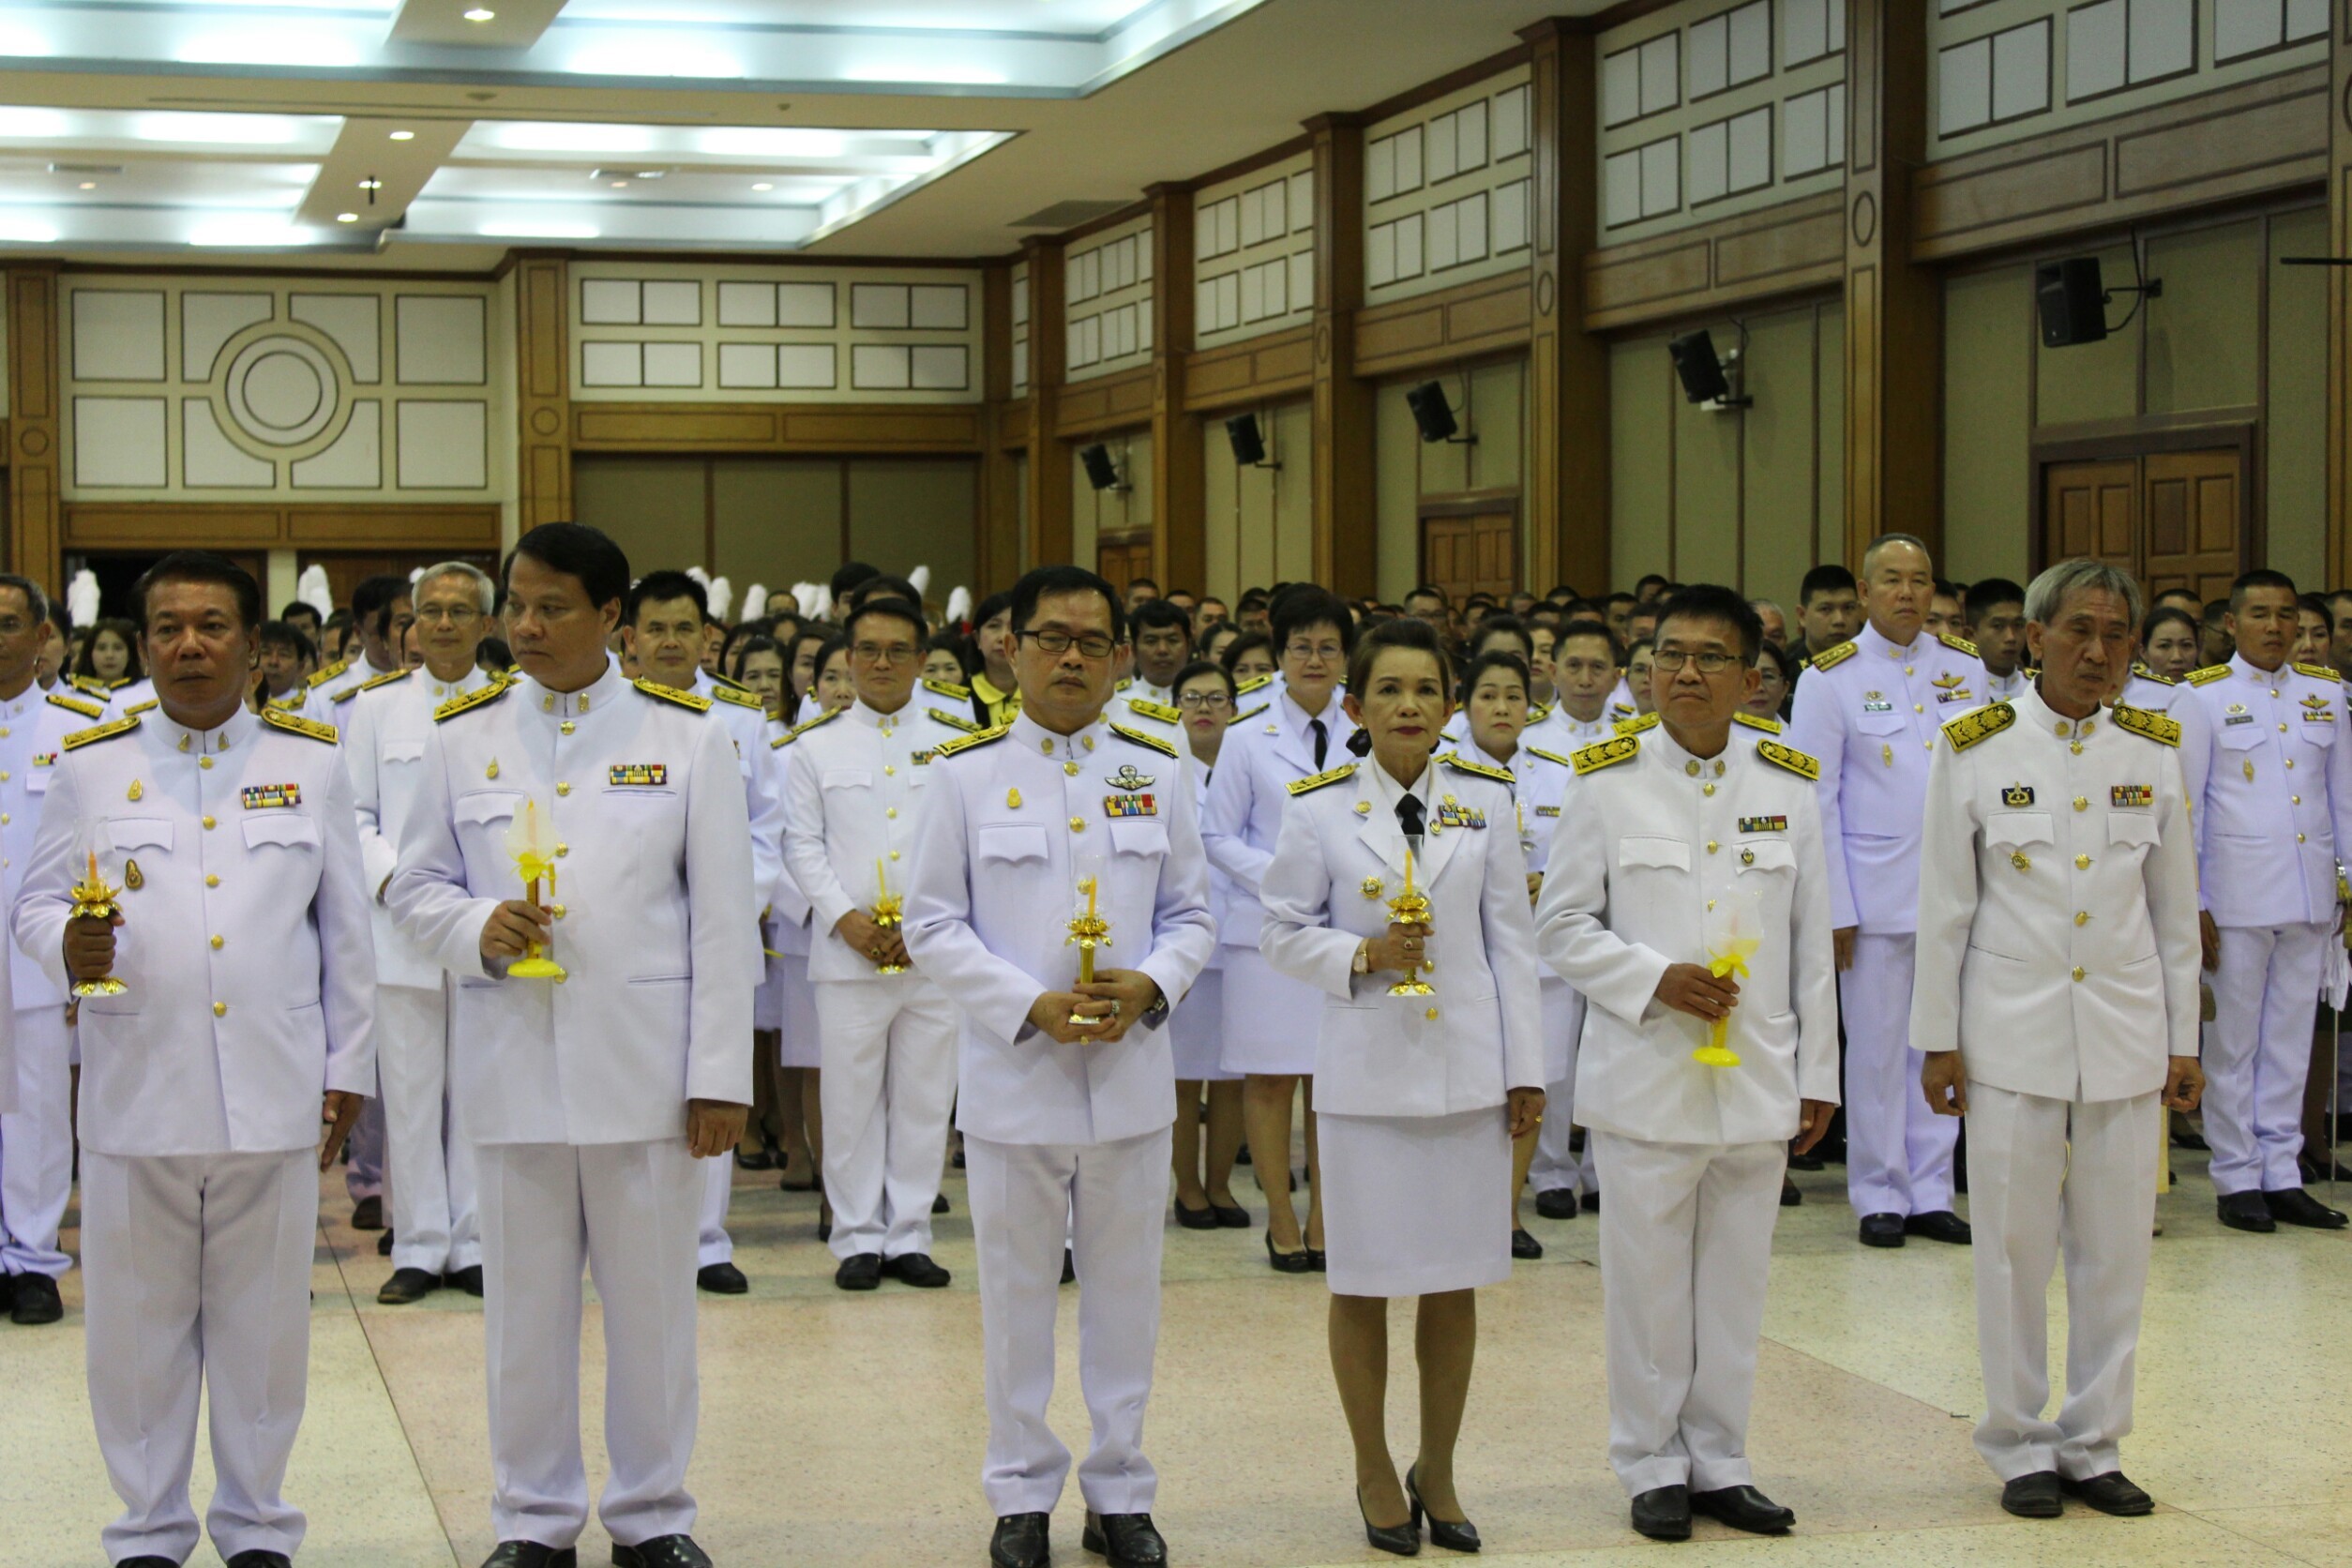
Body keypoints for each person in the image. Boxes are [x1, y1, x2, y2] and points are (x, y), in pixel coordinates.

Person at [387, 523, 757, 1568]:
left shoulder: (688, 737)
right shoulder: (465, 736)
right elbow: (416, 885)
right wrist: (475, 931)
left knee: (653, 1316)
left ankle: (652, 1515)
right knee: (523, 1322)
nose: (527, 625)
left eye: (553, 607)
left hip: (645, 1070)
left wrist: (720, 1077)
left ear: (613, 621)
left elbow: (724, 922)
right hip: (512, 1063)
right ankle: (533, 1518)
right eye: (518, 604)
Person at [16, 550, 374, 1568]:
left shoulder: (310, 761)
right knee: (135, 1330)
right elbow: (39, 904)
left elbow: (348, 930)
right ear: (141, 644)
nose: (188, 644)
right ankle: (148, 1528)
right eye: (167, 627)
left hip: (274, 1085)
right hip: (139, 1087)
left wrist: (348, 1064)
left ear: (255, 648)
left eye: (212, 625)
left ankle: (258, 1525)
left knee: (264, 1330)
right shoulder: (93, 761)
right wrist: (62, 947)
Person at [902, 565, 1214, 1568]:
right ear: (1011, 649)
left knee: (1128, 1297)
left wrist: (1153, 984)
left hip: (1130, 1078)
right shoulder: (961, 771)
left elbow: (1194, 914)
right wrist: (1023, 1004)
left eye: (1091, 641)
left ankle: (1121, 1488)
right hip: (1015, 1077)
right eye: (1051, 638)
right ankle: (1021, 1492)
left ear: (1121, 656)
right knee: (1016, 1298)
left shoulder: (1160, 767)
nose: (1071, 657)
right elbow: (932, 922)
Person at [1536, 585, 1838, 1544]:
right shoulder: (1606, 777)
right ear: (1647, 669)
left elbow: (1811, 946)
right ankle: (1651, 1460)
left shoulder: (1789, 781)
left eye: (1712, 657)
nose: (1688, 672)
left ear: (1753, 678)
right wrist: (1649, 976)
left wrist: (1818, 1075)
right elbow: (1560, 926)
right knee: (1647, 1284)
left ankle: (1723, 1457)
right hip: (1646, 1071)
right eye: (1670, 654)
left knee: (1735, 1282)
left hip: (1756, 1073)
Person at [1912, 559, 2205, 1520]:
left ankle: (2094, 1439)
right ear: (2032, 637)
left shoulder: (2154, 749)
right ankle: (2018, 1439)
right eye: (2080, 630)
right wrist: (1938, 1040)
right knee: (2011, 1245)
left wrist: (2184, 1040)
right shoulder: (1975, 746)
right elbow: (1945, 909)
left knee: (2118, 1248)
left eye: (2117, 634)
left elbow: (2173, 915)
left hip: (2123, 1032)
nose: (2099, 651)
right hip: (2010, 1031)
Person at [1259, 616, 1542, 1557]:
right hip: (1367, 1072)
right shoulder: (1319, 806)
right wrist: (1363, 953)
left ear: (1452, 706)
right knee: (1364, 1282)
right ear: (1355, 706)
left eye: (1426, 690)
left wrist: (1527, 1070)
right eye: (1389, 690)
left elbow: (1515, 946)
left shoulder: (1488, 799)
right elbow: (1281, 929)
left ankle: (1442, 1464)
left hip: (1466, 1071)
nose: (1409, 705)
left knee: (1455, 1284)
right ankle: (1375, 1465)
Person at [1787, 534, 1981, 1249]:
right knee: (1873, 1051)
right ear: (1865, 594)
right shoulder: (1830, 678)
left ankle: (1932, 1187)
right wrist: (1834, 907)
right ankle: (1878, 1191)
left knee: (1940, 1042)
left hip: (1956, 893)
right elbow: (1816, 803)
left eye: (1920, 581)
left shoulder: (1965, 670)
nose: (1907, 593)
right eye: (1892, 581)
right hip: (1872, 896)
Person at [782, 594, 972, 1290]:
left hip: (932, 951)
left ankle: (911, 1232)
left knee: (927, 1097)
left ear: (923, 659)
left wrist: (924, 925)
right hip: (848, 951)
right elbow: (800, 845)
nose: (882, 663)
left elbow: (964, 839)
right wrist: (844, 918)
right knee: (852, 1099)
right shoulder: (814, 746)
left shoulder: (957, 736)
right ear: (848, 660)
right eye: (868, 651)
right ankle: (857, 1234)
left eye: (898, 651)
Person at [624, 569, 789, 1295]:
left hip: (721, 937)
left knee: (717, 1077)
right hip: (640, 934)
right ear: (629, 638)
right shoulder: (616, 716)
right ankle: (642, 1236)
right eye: (655, 629)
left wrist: (726, 907)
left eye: (683, 629)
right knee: (647, 1086)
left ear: (707, 638)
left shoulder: (740, 719)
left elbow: (767, 828)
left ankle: (707, 1241)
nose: (669, 642)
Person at [2177, 569, 2352, 1232]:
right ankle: (2235, 1174)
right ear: (2231, 624)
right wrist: (2192, 901)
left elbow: (2344, 797)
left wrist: (2348, 884)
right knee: (2233, 1042)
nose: (2276, 628)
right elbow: (2187, 808)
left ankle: (2282, 1170)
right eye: (2260, 615)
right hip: (2236, 897)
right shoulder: (2201, 698)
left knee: (2289, 1042)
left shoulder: (2325, 696)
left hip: (2308, 893)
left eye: (2286, 615)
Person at [344, 562, 497, 1306]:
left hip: (480, 931)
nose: (441, 623)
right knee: (406, 1095)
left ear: (486, 624)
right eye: (428, 611)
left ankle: (471, 1243)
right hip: (400, 928)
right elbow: (354, 814)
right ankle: (418, 1243)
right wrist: (394, 885)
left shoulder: (510, 703)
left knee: (476, 1091)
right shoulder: (374, 709)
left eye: (459, 611)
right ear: (409, 622)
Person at [1203, 587, 1359, 1269]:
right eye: (1301, 647)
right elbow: (1216, 833)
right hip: (1262, 933)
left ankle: (1328, 1214)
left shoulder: (1368, 728)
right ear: (1280, 656)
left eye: (1328, 647)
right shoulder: (1245, 737)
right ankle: (1280, 1215)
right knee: (1269, 1080)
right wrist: (1285, 879)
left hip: (1346, 932)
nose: (1314, 660)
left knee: (1335, 1081)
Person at [0, 575, 109, 1327]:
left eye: (8, 623)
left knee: (38, 1106)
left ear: (43, 637)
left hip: (38, 950)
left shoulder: (82, 724)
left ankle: (33, 1260)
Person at [1444, 647, 1577, 1255]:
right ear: (1465, 705)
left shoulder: (1560, 770)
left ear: (1532, 705)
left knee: (1532, 1077)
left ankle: (1508, 1210)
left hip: (1542, 954)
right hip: (1465, 951)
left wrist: (1551, 879)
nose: (1501, 708)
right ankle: (1459, 1206)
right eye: (1488, 696)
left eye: (1513, 697)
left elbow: (1581, 854)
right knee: (1470, 1085)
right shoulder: (1439, 771)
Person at [1168, 658, 1248, 1229]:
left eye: (1216, 699)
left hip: (1244, 939)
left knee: (1233, 1078)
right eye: (1192, 698)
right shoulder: (1159, 769)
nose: (1203, 709)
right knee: (1182, 1075)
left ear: (1235, 710)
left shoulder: (1254, 767)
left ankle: (1221, 1184)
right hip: (1183, 941)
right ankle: (1188, 1186)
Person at [1123, 597, 1192, 714]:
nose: (1162, 650)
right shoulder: (1116, 702)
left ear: (1189, 646)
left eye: (1173, 640)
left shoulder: (1208, 702)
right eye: (1151, 641)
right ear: (1134, 649)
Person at [1966, 579, 2030, 701]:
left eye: (2018, 625)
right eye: (1998, 626)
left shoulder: (2039, 690)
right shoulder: (1961, 691)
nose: (2011, 637)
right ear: (1971, 634)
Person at [1789, 565, 1862, 668]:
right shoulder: (1784, 673)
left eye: (1848, 608)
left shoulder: (1875, 667)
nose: (1839, 620)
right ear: (1802, 616)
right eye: (1825, 609)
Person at [969, 591, 1022, 729]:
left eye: (1014, 627)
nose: (1004, 637)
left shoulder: (1043, 696)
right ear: (977, 638)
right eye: (994, 626)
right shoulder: (958, 699)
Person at [252, 620, 314, 710]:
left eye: (284, 654)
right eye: (265, 652)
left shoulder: (311, 707)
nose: (273, 662)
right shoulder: (236, 704)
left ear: (300, 667)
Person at [1747, 641, 1797, 721]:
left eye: (1768, 676)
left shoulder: (1797, 733)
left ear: (1784, 688)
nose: (1759, 688)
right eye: (1748, 678)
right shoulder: (1721, 733)